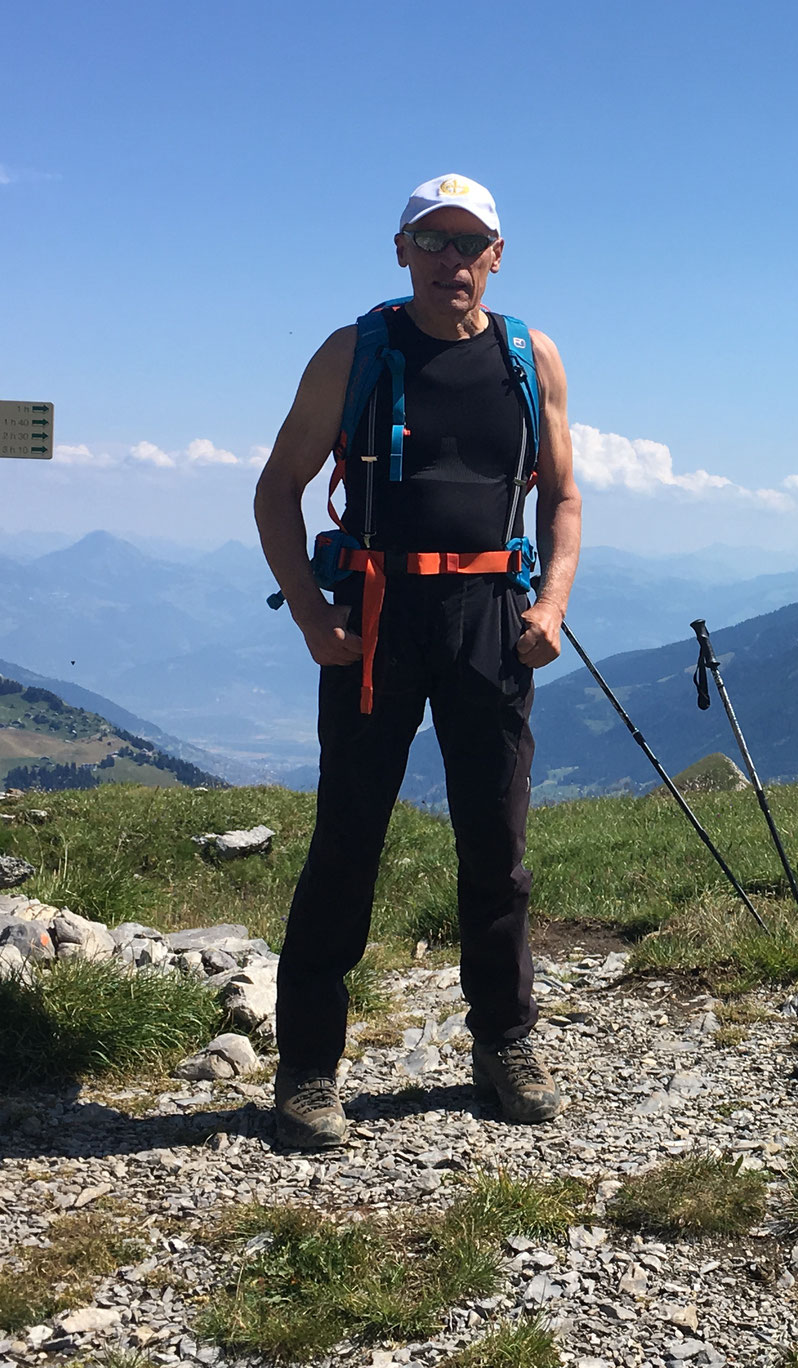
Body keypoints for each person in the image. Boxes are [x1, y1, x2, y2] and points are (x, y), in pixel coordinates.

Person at [254, 174, 581, 1148]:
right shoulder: (355, 352)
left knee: (497, 843)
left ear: (496, 254)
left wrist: (551, 603)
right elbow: (277, 493)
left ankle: (503, 1045)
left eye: (468, 242)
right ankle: (308, 1071)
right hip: (375, 620)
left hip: (491, 614)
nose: (451, 259)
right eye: (431, 241)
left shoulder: (530, 358)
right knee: (346, 839)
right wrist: (314, 621)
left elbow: (561, 497)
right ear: (401, 252)